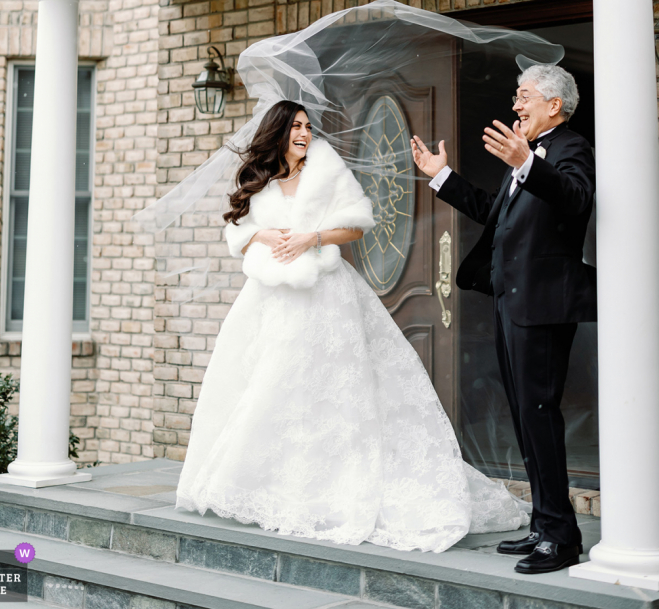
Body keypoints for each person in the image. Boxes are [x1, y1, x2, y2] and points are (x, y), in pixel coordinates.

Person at [177, 99, 529, 551]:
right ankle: (275, 488)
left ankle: (335, 486)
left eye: (307, 126)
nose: (304, 134)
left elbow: (359, 226)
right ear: (278, 133)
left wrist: (313, 236)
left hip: (327, 294)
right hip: (270, 299)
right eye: (296, 127)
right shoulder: (258, 179)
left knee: (332, 388)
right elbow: (238, 232)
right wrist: (260, 235)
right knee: (270, 386)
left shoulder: (326, 168)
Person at [411, 64, 596, 575]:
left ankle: (561, 540)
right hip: (512, 302)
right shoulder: (528, 156)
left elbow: (577, 197)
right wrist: (441, 177)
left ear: (553, 106)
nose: (516, 105)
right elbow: (494, 211)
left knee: (540, 414)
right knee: (524, 418)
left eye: (524, 96)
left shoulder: (570, 149)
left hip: (543, 307)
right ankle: (543, 524)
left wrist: (527, 164)